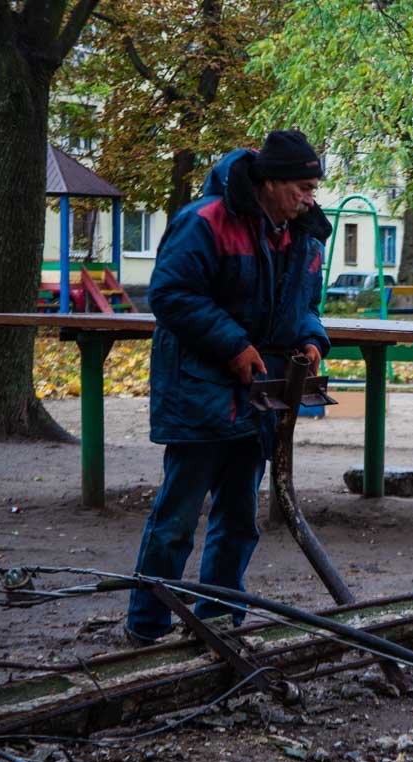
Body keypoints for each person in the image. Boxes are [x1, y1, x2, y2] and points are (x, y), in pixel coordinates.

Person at [125, 130, 332, 644]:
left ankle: (217, 624)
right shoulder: (204, 221)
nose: (311, 199)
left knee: (239, 520)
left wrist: (311, 339)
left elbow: (306, 305)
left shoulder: (304, 236)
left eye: (313, 189)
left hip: (258, 396)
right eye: (303, 187)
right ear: (271, 181)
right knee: (176, 519)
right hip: (199, 390)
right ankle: (146, 629)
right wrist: (233, 345)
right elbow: (170, 294)